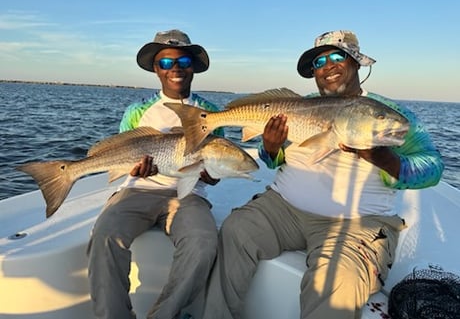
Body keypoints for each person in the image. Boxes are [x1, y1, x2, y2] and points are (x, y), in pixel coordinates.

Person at [202, 30, 444, 319]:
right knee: (235, 230)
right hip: (283, 209)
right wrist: (270, 149)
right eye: (319, 62)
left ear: (356, 63)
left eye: (336, 56)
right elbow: (271, 162)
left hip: (357, 223)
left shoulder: (389, 115)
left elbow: (433, 167)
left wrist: (386, 160)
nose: (327, 66)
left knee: (336, 279)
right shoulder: (299, 106)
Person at [87, 29, 224, 319]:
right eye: (165, 63)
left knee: (203, 243)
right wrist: (136, 169)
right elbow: (123, 155)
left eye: (184, 62)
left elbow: (216, 169)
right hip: (138, 189)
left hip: (189, 194)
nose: (175, 68)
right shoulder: (137, 111)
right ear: (155, 69)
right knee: (104, 235)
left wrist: (211, 176)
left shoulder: (211, 113)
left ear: (194, 68)